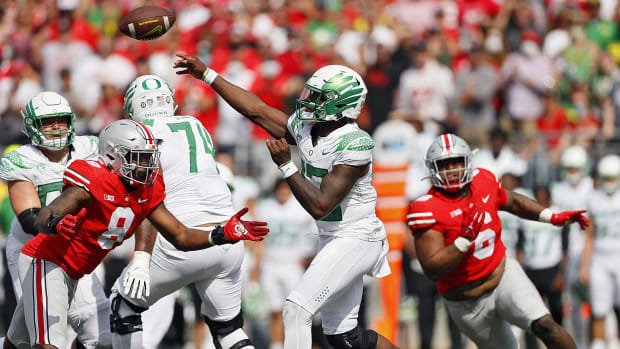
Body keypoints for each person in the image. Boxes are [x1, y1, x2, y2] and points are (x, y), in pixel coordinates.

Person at [174, 55, 398, 349]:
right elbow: (255, 110)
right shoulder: (309, 130)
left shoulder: (354, 143)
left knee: (296, 309)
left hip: (357, 237)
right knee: (345, 339)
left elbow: (320, 205)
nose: (309, 101)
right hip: (333, 237)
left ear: (342, 104)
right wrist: (207, 75)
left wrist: (286, 165)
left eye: (319, 97)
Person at [4, 118, 268, 349]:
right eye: (139, 157)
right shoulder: (95, 179)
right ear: (111, 156)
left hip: (77, 270)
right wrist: (55, 223)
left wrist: (221, 234)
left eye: (149, 156)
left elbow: (181, 236)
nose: (147, 164)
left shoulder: (146, 188)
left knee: (20, 341)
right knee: (49, 343)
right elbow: (48, 212)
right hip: (47, 261)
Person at [111, 74, 263, 349]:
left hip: (180, 240)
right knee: (229, 330)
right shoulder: (195, 124)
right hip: (227, 240)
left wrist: (141, 257)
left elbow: (147, 197)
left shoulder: (140, 134)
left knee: (123, 306)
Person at [406, 133, 588, 349]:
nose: (453, 169)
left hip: (502, 276)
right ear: (433, 168)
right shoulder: (427, 208)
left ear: (468, 162)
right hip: (466, 302)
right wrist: (464, 241)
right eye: (445, 164)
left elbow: (513, 201)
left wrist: (551, 216)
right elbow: (432, 268)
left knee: (546, 325)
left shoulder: (483, 180)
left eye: (457, 161)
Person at [0, 91, 111, 349]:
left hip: (78, 247)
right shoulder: (22, 159)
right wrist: (60, 224)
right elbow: (30, 220)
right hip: (34, 249)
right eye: (47, 122)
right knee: (44, 332)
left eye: (61, 119)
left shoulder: (92, 148)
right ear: (31, 126)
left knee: (101, 335)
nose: (56, 127)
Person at [255, 179, 317, 349]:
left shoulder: (300, 208)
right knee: (274, 310)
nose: (282, 193)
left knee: (296, 310)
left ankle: (296, 344)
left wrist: (308, 257)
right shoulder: (266, 207)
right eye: (280, 189)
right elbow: (260, 239)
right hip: (271, 263)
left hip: (292, 265)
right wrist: (257, 264)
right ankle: (275, 345)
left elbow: (314, 233)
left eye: (285, 189)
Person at [551, 145, 592, 349]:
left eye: (576, 168)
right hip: (567, 252)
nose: (572, 173)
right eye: (569, 168)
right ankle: (580, 343)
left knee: (600, 301)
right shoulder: (558, 190)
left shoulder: (591, 187)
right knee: (574, 303)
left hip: (591, 251)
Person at [517, 186, 567, 349]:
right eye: (537, 198)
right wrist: (521, 271)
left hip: (551, 269)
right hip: (531, 269)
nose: (540, 201)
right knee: (530, 315)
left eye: (543, 197)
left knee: (556, 313)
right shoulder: (526, 216)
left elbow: (565, 248)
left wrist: (561, 273)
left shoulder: (557, 214)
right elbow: (519, 246)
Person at [580, 154, 620, 349]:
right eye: (607, 178)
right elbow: (589, 235)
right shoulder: (594, 198)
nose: (610, 182)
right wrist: (584, 265)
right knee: (598, 308)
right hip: (600, 258)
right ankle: (597, 345)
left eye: (613, 178)